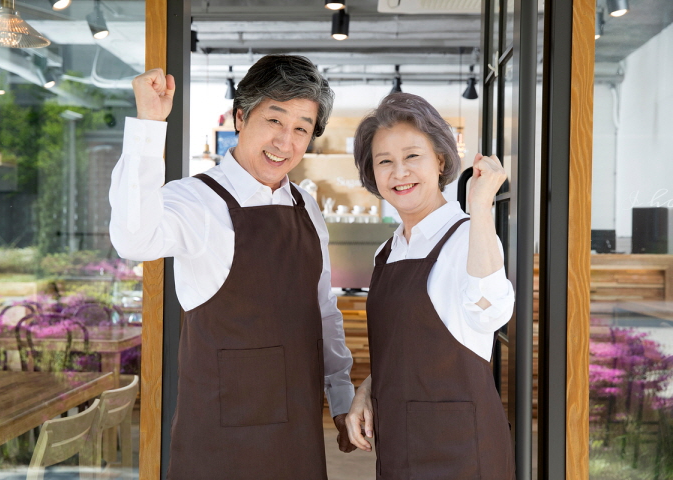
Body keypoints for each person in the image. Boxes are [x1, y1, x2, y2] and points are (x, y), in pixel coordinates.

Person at [109, 54, 356, 479]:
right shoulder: (195, 200)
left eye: (301, 128)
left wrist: (342, 396)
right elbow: (133, 239)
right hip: (220, 441)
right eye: (274, 120)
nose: (285, 142)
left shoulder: (307, 207)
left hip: (298, 432)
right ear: (241, 117)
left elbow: (323, 312)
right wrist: (148, 126)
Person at [345, 93, 516, 479]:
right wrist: (367, 389)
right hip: (399, 446)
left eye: (412, 156)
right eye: (384, 161)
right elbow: (403, 348)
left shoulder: (469, 238)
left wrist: (481, 208)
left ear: (440, 160)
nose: (399, 172)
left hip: (461, 452)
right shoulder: (387, 252)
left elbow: (490, 313)